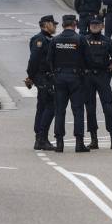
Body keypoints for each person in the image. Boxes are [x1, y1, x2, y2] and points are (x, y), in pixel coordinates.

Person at [47, 15, 88, 153]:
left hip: (59, 78)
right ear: (75, 24)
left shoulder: (55, 40)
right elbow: (88, 59)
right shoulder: (80, 39)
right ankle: (79, 143)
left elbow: (49, 60)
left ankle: (59, 143)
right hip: (76, 78)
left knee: (59, 111)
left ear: (63, 25)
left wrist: (55, 74)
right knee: (78, 111)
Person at [82, 16, 112, 150]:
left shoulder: (108, 41)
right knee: (90, 108)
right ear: (89, 26)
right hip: (88, 77)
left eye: (97, 24)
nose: (94, 26)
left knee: (108, 108)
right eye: (92, 24)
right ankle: (94, 140)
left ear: (102, 26)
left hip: (102, 77)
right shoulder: (83, 40)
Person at [25, 15, 58, 151]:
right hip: (42, 77)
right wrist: (30, 77)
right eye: (53, 24)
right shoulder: (40, 39)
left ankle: (40, 138)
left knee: (43, 106)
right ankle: (41, 138)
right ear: (45, 24)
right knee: (50, 106)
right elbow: (34, 60)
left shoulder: (50, 39)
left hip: (48, 77)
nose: (55, 26)